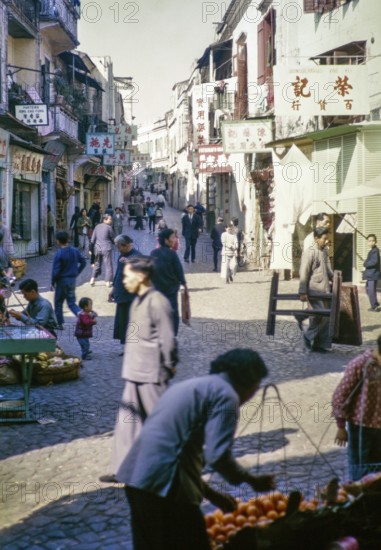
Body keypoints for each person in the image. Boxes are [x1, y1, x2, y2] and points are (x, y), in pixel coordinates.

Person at [117, 348, 275, 550]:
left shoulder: (190, 386)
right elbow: (217, 455)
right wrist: (251, 480)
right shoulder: (226, 396)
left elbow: (176, 450)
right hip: (165, 487)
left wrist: (211, 494)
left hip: (137, 479)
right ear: (250, 381)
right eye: (257, 386)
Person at [100, 256, 177, 484]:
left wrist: (169, 366)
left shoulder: (158, 302)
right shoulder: (136, 302)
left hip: (152, 374)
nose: (124, 281)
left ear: (142, 276)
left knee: (159, 424)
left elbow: (168, 339)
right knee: (127, 425)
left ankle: (172, 467)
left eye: (127, 276)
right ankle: (123, 469)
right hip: (134, 372)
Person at [332, 335, 381, 481]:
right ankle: (360, 498)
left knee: (378, 468)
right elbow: (340, 396)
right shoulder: (360, 365)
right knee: (359, 467)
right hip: (361, 427)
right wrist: (341, 426)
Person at [299, 226, 333, 352]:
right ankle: (308, 337)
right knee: (322, 315)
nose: (326, 241)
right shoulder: (309, 252)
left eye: (327, 239)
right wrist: (302, 291)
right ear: (316, 238)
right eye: (324, 239)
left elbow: (328, 270)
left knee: (327, 316)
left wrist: (334, 277)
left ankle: (319, 345)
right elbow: (304, 273)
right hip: (314, 290)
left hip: (325, 290)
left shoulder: (324, 252)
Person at [151, 228, 187, 335]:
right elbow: (179, 270)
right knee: (172, 314)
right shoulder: (172, 254)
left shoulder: (153, 252)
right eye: (173, 237)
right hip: (170, 290)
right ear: (166, 240)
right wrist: (183, 283)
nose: (175, 239)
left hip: (156, 290)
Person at [109, 235, 140, 353]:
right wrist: (113, 289)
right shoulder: (122, 255)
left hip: (131, 296)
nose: (118, 249)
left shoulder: (136, 256)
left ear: (126, 245)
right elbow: (118, 273)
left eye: (119, 247)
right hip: (121, 294)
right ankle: (125, 345)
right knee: (122, 321)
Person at [51, 231, 86, 329]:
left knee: (58, 303)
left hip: (62, 281)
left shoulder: (59, 254)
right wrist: (76, 272)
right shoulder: (74, 250)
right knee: (71, 302)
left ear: (58, 241)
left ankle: (60, 323)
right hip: (72, 280)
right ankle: (82, 315)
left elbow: (56, 271)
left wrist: (52, 282)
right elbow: (83, 262)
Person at [89, 214, 115, 287]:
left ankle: (92, 279)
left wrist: (90, 249)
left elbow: (92, 239)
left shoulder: (97, 227)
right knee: (108, 265)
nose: (111, 220)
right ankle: (108, 281)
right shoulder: (109, 228)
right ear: (104, 219)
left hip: (97, 248)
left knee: (97, 264)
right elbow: (113, 238)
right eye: (110, 219)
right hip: (106, 248)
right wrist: (115, 243)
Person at [363, 234, 380, 312]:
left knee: (371, 290)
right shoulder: (372, 250)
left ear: (375, 241)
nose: (371, 242)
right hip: (371, 274)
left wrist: (365, 264)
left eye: (373, 241)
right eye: (369, 241)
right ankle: (375, 304)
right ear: (367, 242)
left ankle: (374, 306)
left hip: (373, 274)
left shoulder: (375, 251)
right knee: (369, 289)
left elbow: (374, 262)